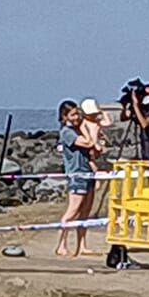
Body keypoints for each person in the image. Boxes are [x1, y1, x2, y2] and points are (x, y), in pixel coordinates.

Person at [54, 100, 96, 257]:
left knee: (85, 212)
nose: (77, 117)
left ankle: (82, 245)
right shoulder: (67, 132)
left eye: (78, 113)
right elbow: (88, 142)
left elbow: (92, 149)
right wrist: (86, 128)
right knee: (72, 211)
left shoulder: (76, 130)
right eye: (73, 114)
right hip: (76, 174)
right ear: (65, 116)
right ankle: (61, 244)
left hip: (87, 173)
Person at [122, 82, 149, 161]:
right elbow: (124, 117)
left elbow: (144, 124)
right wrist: (125, 106)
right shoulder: (141, 109)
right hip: (144, 149)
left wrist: (136, 106)